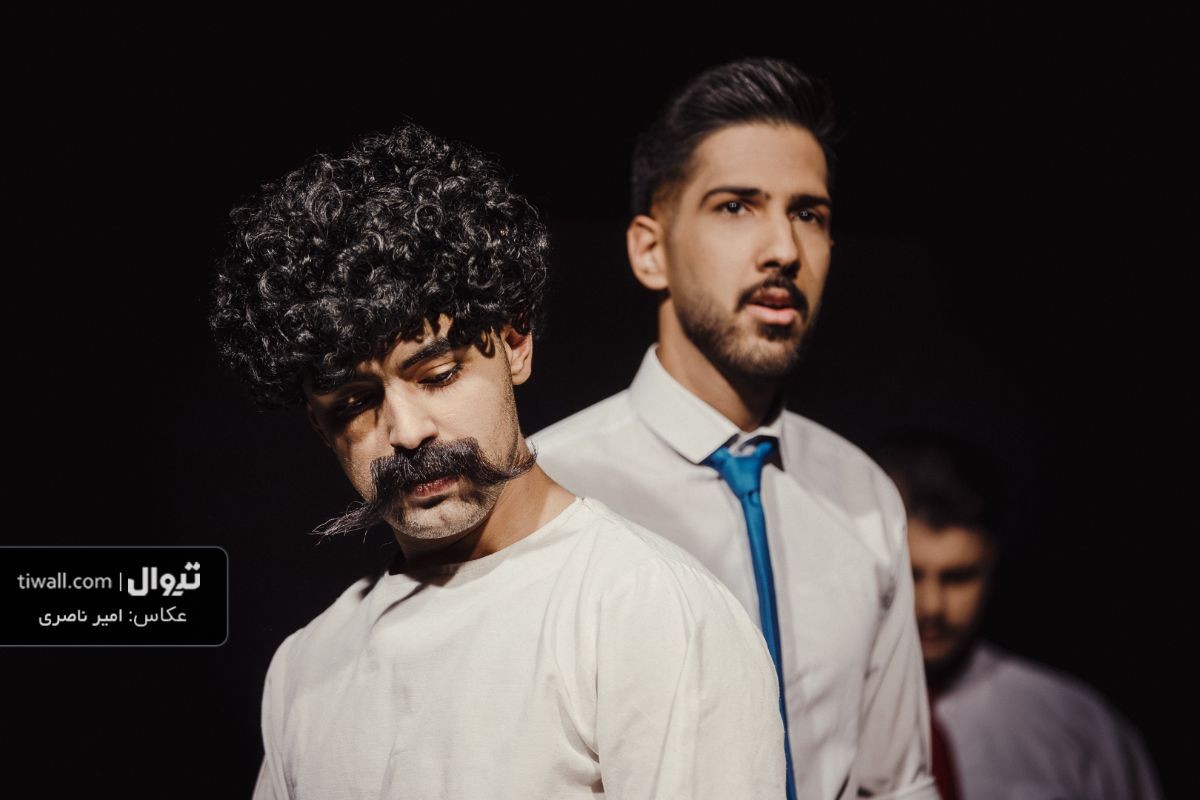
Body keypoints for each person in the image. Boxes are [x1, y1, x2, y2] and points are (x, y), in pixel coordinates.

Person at [210, 121, 786, 799]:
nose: (406, 432)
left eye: (438, 374)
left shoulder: (645, 610)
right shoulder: (306, 669)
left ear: (515, 345)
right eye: (356, 403)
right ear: (319, 424)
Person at [530, 58, 936, 800]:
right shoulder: (546, 489)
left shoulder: (862, 495)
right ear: (650, 250)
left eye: (808, 214)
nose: (783, 249)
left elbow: (897, 784)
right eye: (736, 207)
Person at [875, 434, 1163, 800]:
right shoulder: (822, 715)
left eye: (959, 577)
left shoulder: (1077, 726)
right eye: (911, 575)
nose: (932, 606)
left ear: (992, 566)